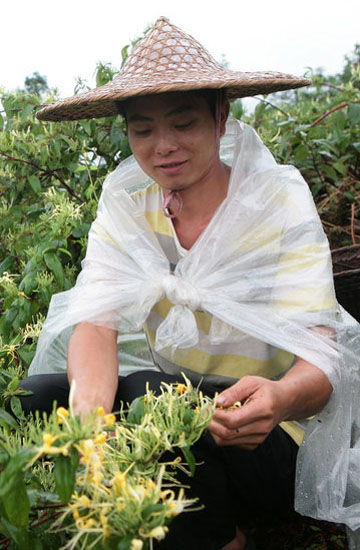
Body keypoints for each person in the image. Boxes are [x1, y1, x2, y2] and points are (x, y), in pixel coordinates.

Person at [17, 16, 360, 550]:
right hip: (176, 413)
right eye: (143, 129)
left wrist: (281, 396)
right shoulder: (130, 209)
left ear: (220, 116)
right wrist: (89, 425)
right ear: (126, 131)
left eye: (183, 123)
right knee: (32, 398)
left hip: (264, 439)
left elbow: (321, 356)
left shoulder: (274, 202)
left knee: (145, 397)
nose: (163, 147)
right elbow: (96, 322)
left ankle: (223, 537)